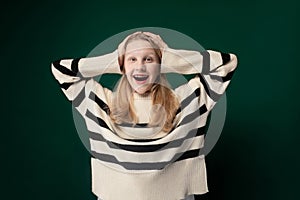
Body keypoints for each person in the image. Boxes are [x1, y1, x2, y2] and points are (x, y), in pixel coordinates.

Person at [51, 31, 238, 200]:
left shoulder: (184, 102)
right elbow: (62, 70)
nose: (140, 67)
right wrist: (117, 59)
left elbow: (226, 64)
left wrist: (168, 56)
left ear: (161, 65)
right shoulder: (103, 104)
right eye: (132, 60)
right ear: (121, 66)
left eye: (148, 59)